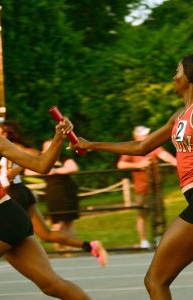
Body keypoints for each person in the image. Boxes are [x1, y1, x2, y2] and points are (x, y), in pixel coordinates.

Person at [71, 54, 193, 299]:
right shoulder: (179, 116)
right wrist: (92, 144)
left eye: (177, 71)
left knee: (155, 280)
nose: (173, 77)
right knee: (156, 280)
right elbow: (141, 147)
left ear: (190, 77)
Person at [0, 120, 108, 267]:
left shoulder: (0, 144)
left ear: (5, 132)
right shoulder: (14, 147)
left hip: (10, 194)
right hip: (21, 190)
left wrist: (16, 169)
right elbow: (37, 156)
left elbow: (38, 160)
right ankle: (89, 246)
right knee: (46, 234)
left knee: (9, 234)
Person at [117, 125, 177, 249]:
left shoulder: (154, 146)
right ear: (137, 136)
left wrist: (177, 163)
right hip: (142, 189)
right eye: (144, 134)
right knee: (142, 215)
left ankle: (158, 237)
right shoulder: (132, 148)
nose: (147, 136)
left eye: (147, 134)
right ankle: (143, 241)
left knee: (159, 213)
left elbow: (165, 155)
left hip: (156, 187)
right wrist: (140, 165)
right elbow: (121, 164)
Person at [40, 139, 80, 251]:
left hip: (68, 193)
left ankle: (70, 246)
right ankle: (59, 247)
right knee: (58, 223)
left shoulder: (63, 159)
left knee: (69, 221)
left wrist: (56, 171)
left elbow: (73, 167)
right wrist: (59, 170)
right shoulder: (41, 161)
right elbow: (30, 171)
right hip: (54, 194)